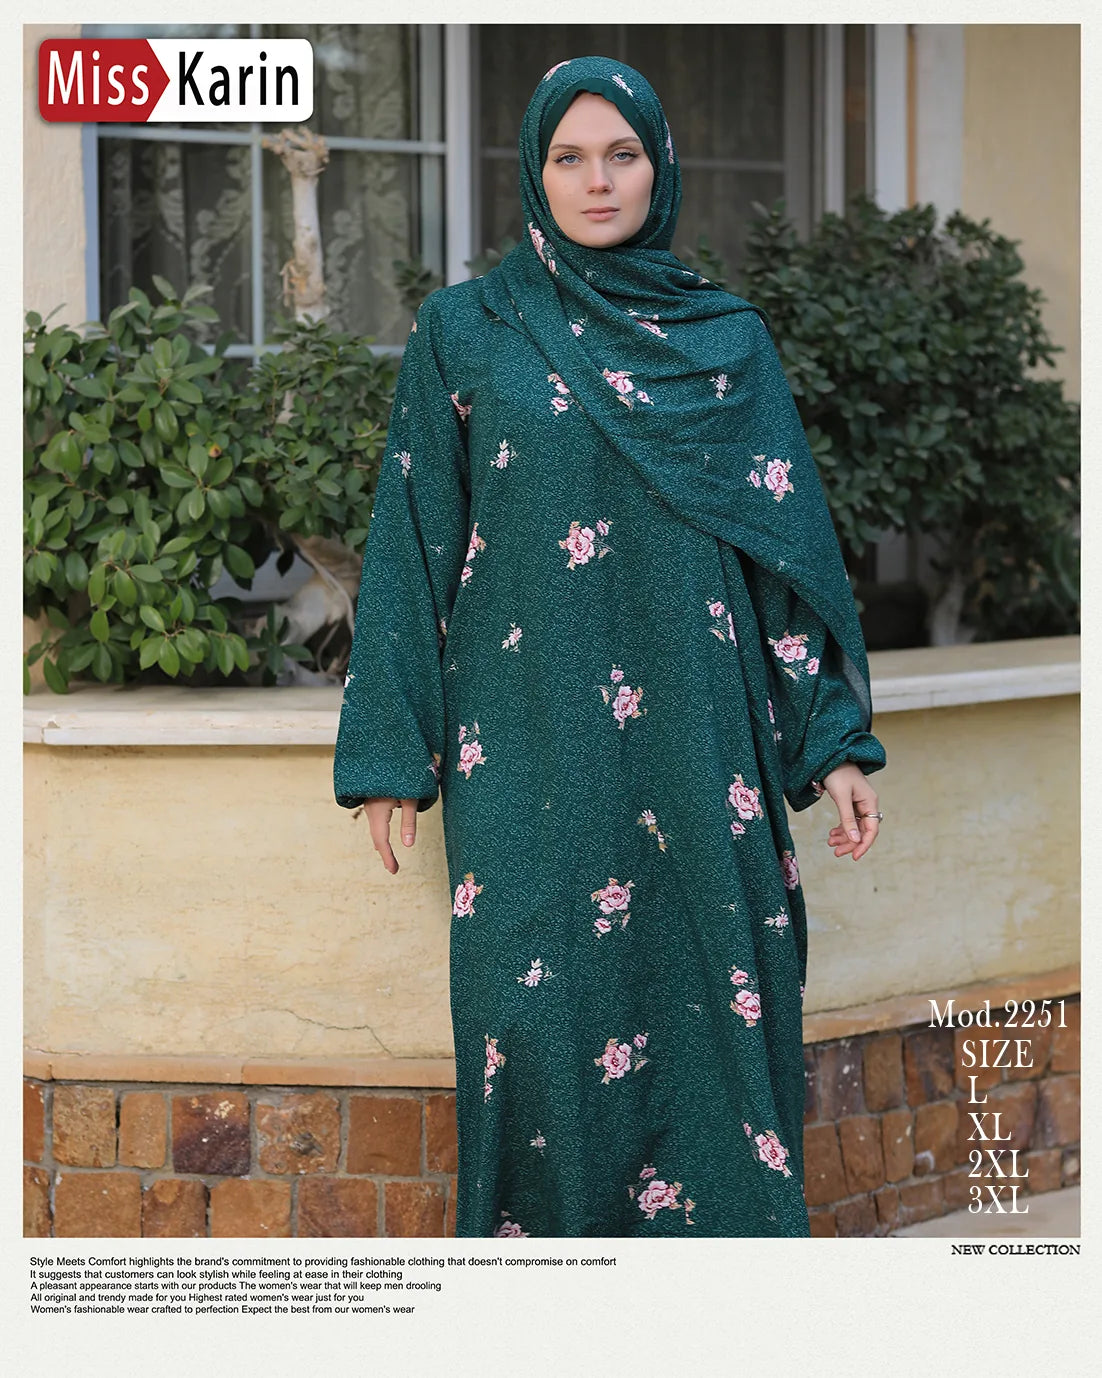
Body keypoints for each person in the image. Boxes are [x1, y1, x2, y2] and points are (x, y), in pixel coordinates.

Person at [334, 54, 885, 1238]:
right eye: (569, 158)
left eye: (621, 154)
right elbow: (414, 537)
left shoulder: (723, 339)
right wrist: (391, 748)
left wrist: (831, 738)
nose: (598, 181)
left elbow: (780, 557)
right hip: (523, 749)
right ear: (533, 174)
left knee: (717, 1013)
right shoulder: (466, 331)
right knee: (528, 1026)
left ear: (658, 166)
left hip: (701, 743)